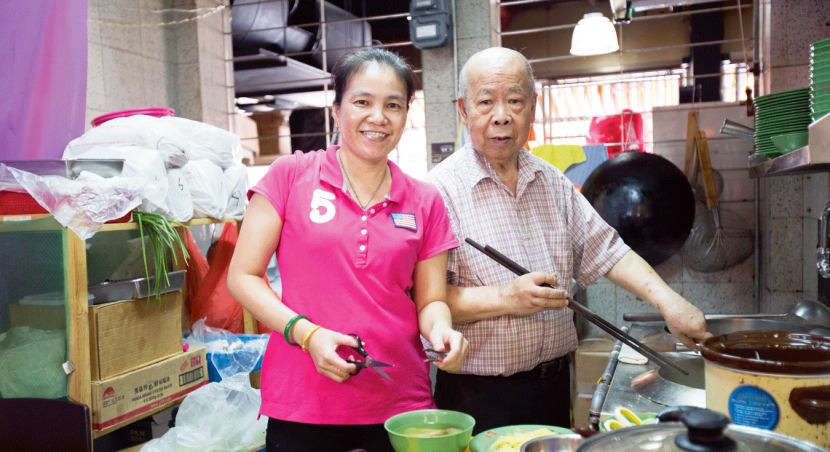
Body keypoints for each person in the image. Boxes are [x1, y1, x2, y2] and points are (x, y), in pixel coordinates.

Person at [426, 47, 711, 433]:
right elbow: (427, 299)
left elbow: (606, 251)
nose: (501, 116)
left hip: (553, 386)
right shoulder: (437, 191)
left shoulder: (552, 182)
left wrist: (669, 301)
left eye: (514, 100)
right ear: (463, 110)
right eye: (485, 102)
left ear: (533, 106)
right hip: (476, 395)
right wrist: (507, 299)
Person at [228, 47, 469, 452]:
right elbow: (242, 276)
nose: (378, 117)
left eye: (393, 105)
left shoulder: (425, 200)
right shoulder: (291, 176)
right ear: (337, 110)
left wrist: (442, 330)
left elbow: (431, 302)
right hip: (303, 403)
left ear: (406, 115)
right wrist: (307, 335)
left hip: (399, 404)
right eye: (362, 102)